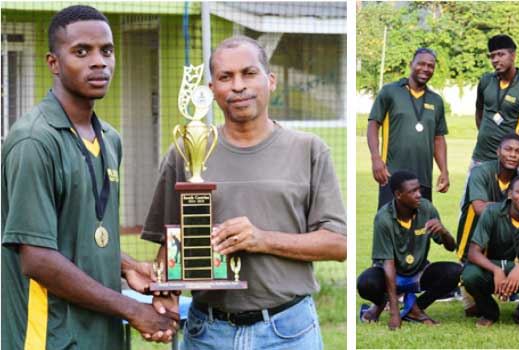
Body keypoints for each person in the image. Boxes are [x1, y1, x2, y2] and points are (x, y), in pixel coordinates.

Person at [141, 36, 346, 349]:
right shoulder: (185, 151)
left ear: (270, 80)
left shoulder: (309, 149)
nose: (238, 86)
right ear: (211, 90)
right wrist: (164, 294)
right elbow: (170, 245)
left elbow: (338, 243)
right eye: (225, 77)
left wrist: (261, 239)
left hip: (288, 330)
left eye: (249, 73)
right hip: (207, 331)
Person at [1, 5, 178, 349]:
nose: (99, 62)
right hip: (49, 337)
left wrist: (125, 266)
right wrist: (132, 308)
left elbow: (82, 236)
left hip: (103, 335)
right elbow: (37, 258)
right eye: (82, 51)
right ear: (53, 62)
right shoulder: (33, 141)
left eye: (107, 51)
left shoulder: (110, 139)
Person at [357, 171, 461, 329]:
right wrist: (394, 313)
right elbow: (388, 263)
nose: (419, 195)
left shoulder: (426, 208)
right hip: (389, 273)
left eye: (419, 190)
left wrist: (444, 232)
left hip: (418, 272)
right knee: (366, 283)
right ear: (398, 194)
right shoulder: (383, 218)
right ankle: (380, 303)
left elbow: (451, 247)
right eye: (413, 191)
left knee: (455, 272)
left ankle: (415, 309)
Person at [461, 175, 519, 328]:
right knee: (469, 275)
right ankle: (489, 313)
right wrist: (496, 270)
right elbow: (473, 252)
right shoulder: (492, 212)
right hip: (495, 266)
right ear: (510, 194)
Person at [367, 48, 449, 208]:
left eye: (430, 66)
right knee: (390, 227)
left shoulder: (436, 100)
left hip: (422, 180)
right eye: (421, 64)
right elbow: (373, 124)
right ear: (411, 65)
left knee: (419, 230)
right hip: (392, 176)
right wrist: (376, 159)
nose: (426, 69)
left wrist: (444, 170)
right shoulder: (390, 91)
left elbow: (438, 139)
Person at [456, 133, 519, 317]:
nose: (512, 154)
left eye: (518, 151)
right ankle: (469, 298)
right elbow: (479, 208)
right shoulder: (481, 172)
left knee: (496, 262)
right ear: (498, 151)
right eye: (508, 149)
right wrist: (512, 205)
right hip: (474, 227)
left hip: (499, 231)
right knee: (468, 265)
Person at [472, 34, 519, 165]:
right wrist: (484, 134)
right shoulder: (485, 81)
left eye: (501, 54)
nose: (495, 60)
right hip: (479, 159)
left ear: (513, 56)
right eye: (492, 56)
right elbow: (479, 109)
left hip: (507, 165)